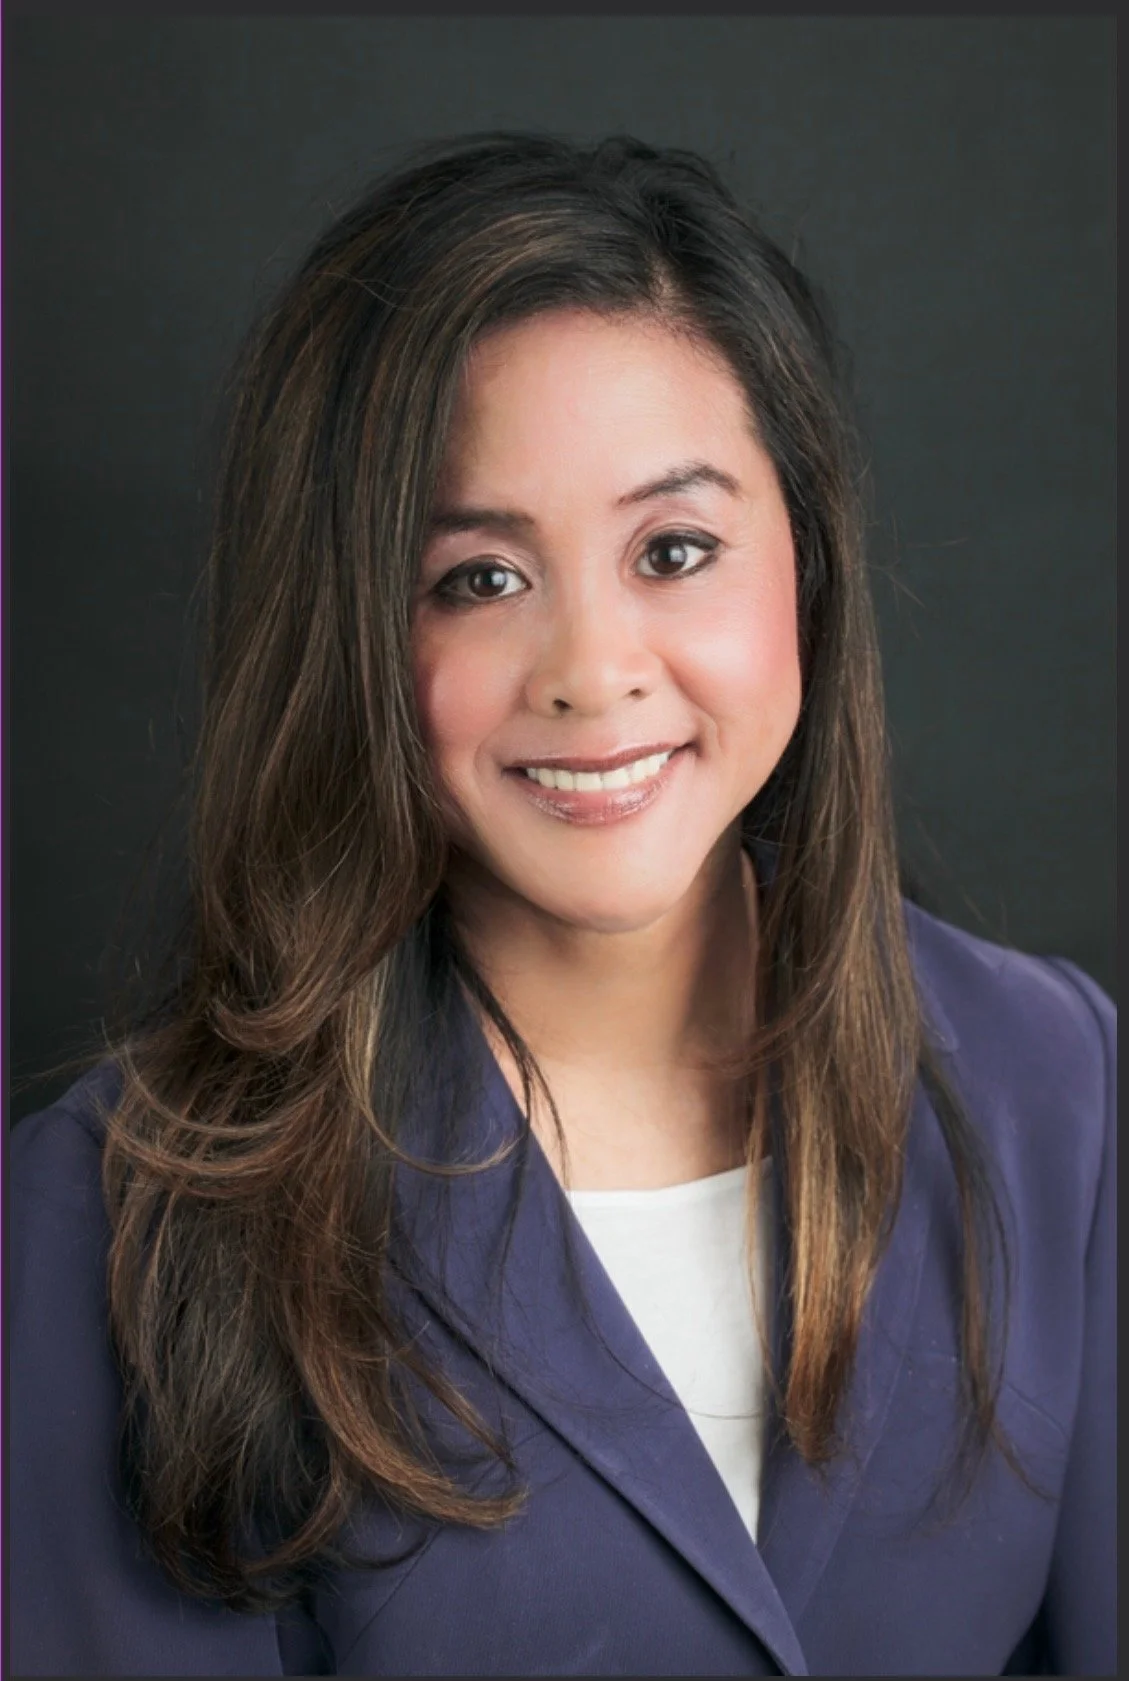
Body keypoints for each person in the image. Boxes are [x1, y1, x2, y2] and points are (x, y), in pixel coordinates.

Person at [10, 132, 1114, 1677]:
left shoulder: (1061, 1090)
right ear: (350, 632)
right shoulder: (116, 1223)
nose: (593, 671)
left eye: (675, 550)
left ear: (807, 564)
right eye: (477, 577)